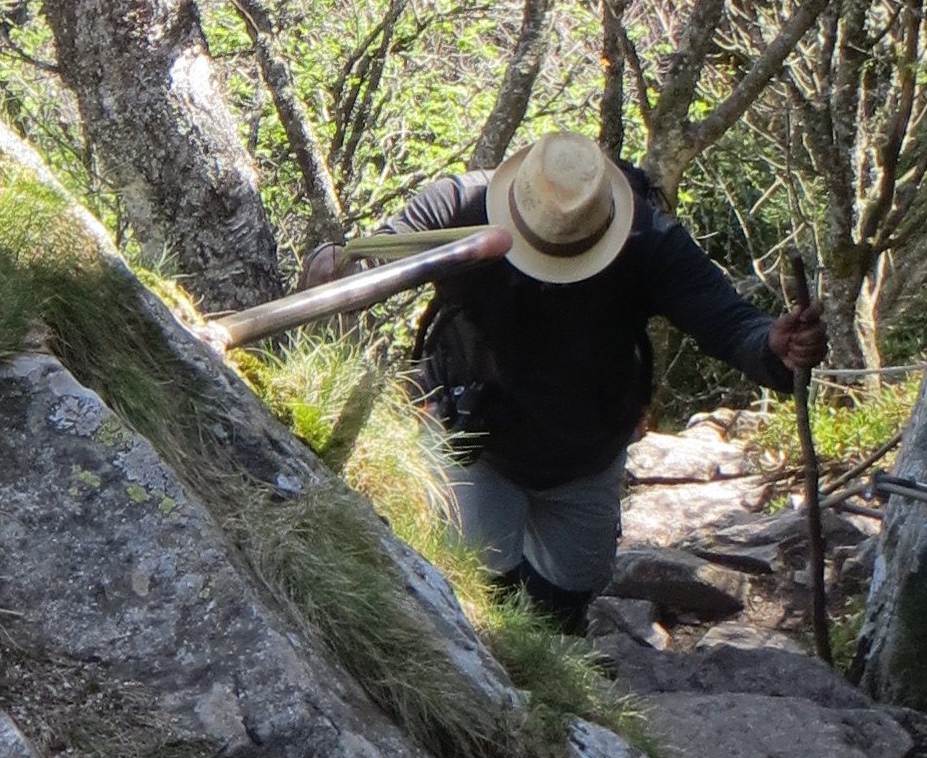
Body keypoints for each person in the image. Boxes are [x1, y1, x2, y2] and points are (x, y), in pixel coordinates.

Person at [311, 131, 825, 632]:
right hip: (473, 444)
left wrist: (774, 348)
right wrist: (337, 268)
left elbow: (730, 323)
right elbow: (376, 258)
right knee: (472, 590)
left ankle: (556, 664)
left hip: (586, 455)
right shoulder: (461, 207)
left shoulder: (647, 240)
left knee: (569, 594)